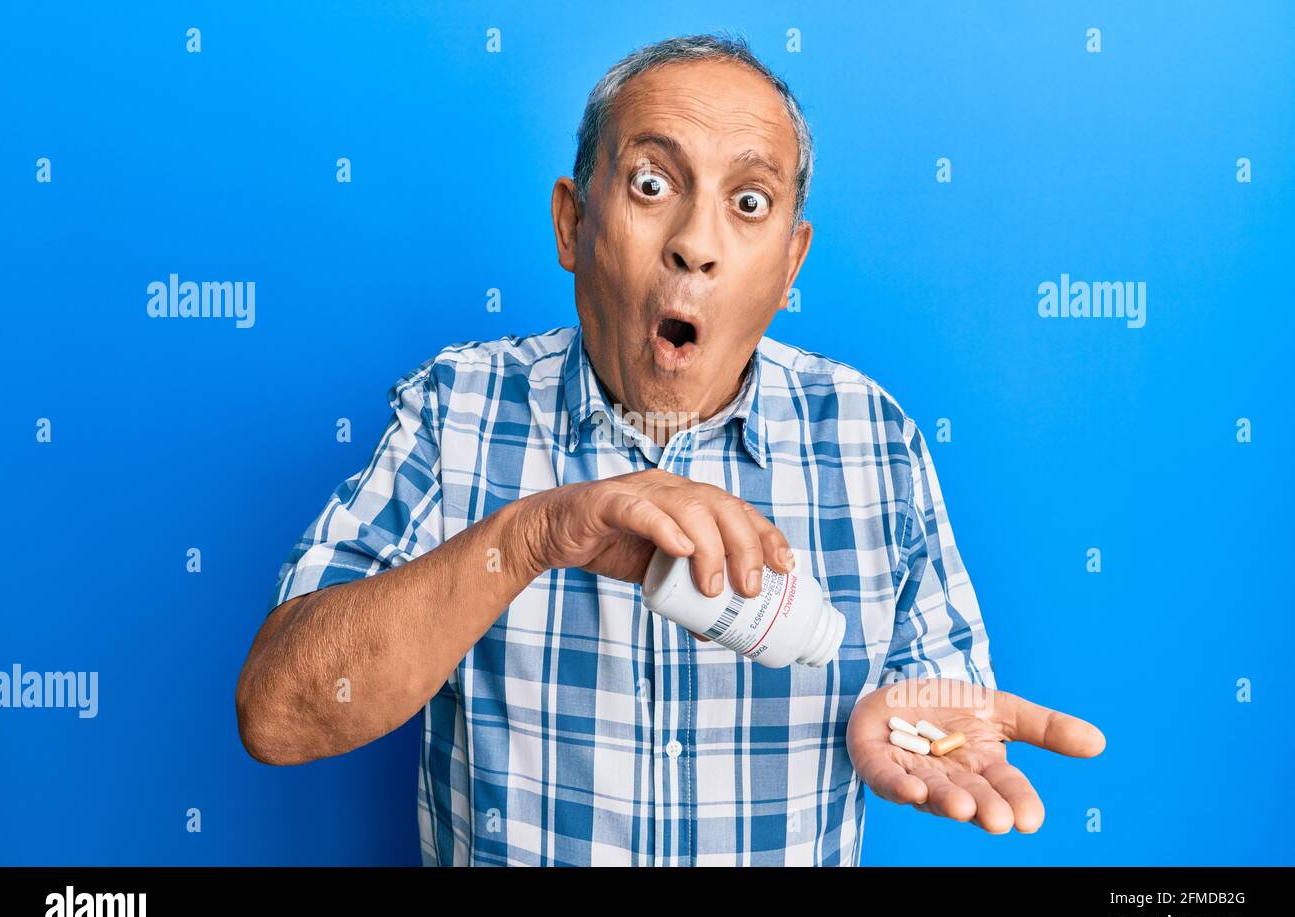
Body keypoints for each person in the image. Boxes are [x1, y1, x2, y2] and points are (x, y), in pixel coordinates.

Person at [235, 32, 1104, 866]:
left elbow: (941, 707)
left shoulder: (873, 437)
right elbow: (277, 714)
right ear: (572, 225)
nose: (696, 243)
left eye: (749, 202)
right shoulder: (456, 408)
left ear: (791, 263)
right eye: (652, 184)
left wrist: (916, 723)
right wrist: (531, 536)